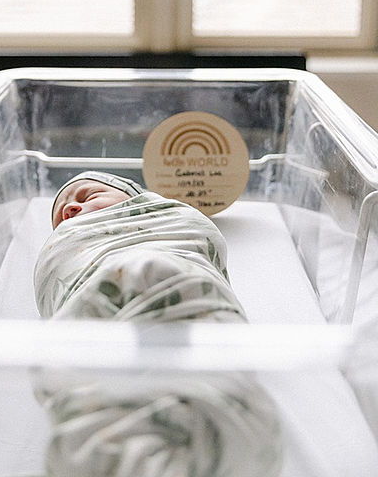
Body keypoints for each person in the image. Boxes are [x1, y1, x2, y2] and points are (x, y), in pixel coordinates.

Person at [34, 170, 283, 477]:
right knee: (85, 379)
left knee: (157, 276)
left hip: (175, 280)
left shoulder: (170, 222)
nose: (70, 210)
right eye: (61, 218)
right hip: (96, 304)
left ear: (142, 203)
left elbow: (202, 247)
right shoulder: (69, 247)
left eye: (90, 196)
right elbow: (58, 288)